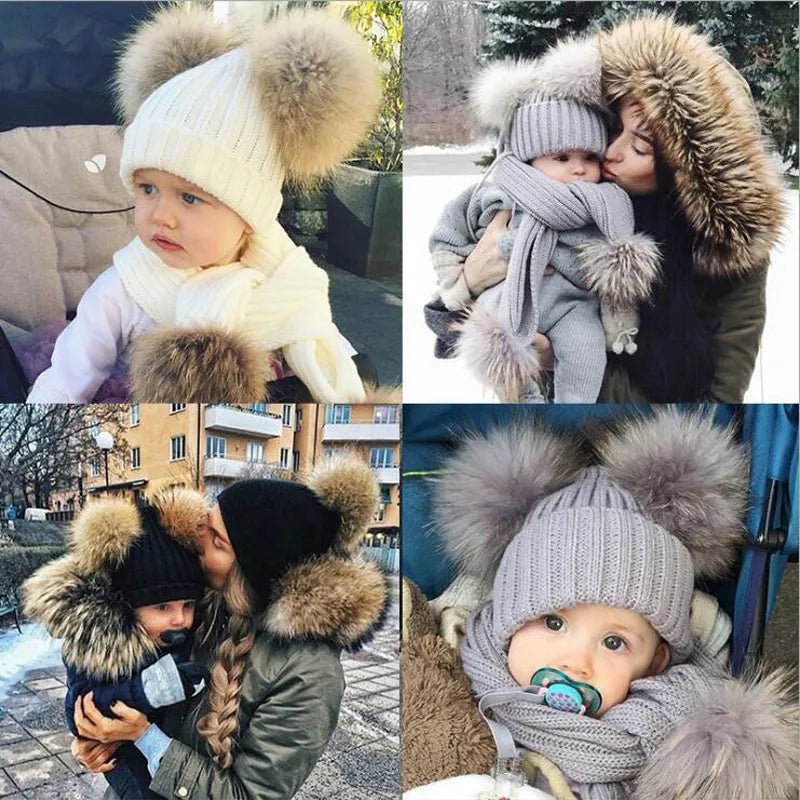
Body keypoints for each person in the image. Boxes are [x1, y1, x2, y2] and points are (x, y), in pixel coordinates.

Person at [424, 408, 797, 800]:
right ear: (507, 623)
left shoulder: (674, 731)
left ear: (654, 664)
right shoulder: (459, 676)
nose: (576, 662)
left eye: (614, 643)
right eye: (553, 623)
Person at [27, 6, 381, 404]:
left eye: (190, 197)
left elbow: (323, 339)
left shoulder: (287, 277)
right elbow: (69, 375)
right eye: (146, 189)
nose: (160, 214)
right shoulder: (124, 288)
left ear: (250, 213)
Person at [425, 16, 785, 402]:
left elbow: (717, 406)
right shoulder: (571, 196)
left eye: (641, 147)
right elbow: (445, 325)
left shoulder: (725, 254)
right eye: (613, 131)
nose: (610, 153)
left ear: (684, 170)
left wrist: (558, 362)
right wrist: (472, 279)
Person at [70, 456, 388, 800]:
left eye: (217, 541)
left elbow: (250, 794)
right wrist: (101, 736)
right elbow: (120, 662)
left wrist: (145, 737)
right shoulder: (203, 601)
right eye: (207, 525)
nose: (198, 541)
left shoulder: (310, 675)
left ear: (250, 574)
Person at [430, 57, 661, 403]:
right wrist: (458, 279)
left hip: (573, 306)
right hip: (509, 297)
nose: (580, 169)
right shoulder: (500, 191)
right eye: (562, 158)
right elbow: (449, 231)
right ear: (530, 159)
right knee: (497, 340)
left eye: (589, 157)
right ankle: (524, 400)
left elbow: (612, 265)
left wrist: (612, 312)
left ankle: (571, 407)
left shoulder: (607, 203)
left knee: (586, 349)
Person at [22, 494, 210, 800]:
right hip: (128, 770)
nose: (180, 619)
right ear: (127, 606)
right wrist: (149, 690)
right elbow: (79, 709)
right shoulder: (99, 643)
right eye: (162, 607)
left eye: (188, 604)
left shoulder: (182, 632)